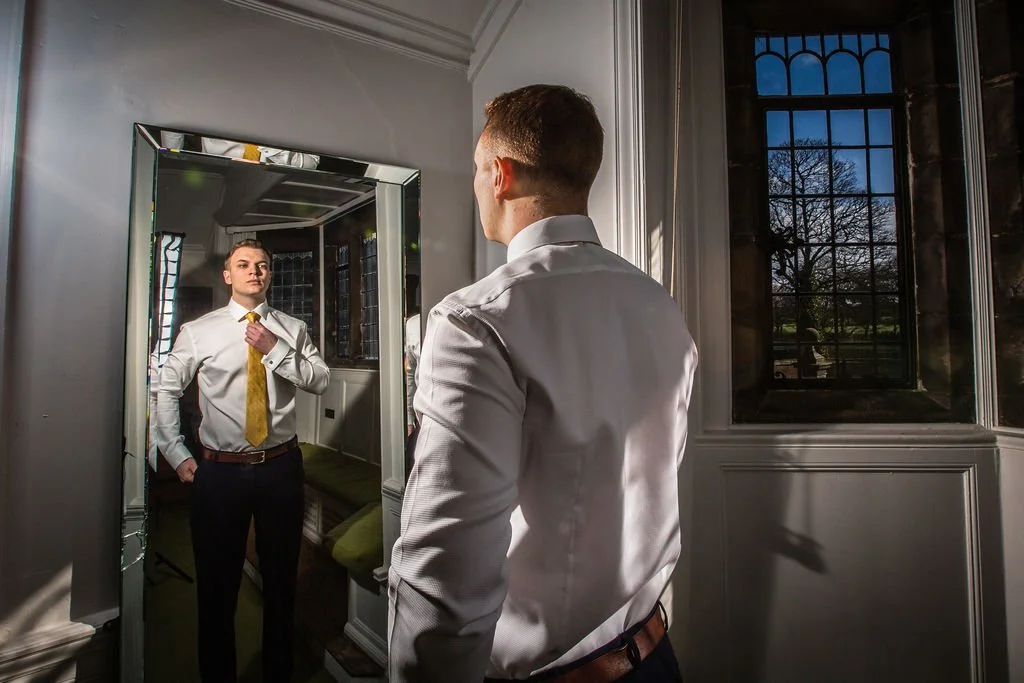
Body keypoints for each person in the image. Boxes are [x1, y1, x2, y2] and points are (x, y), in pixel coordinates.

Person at [388, 84, 698, 683]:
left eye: (477, 168)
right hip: (655, 658)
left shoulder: (479, 320)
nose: (476, 183)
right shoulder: (660, 306)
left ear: (500, 174)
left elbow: (447, 566)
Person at [155, 238, 330, 682]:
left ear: (270, 274)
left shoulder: (292, 328)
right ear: (228, 275)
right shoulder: (200, 331)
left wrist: (276, 349)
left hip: (281, 469)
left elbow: (320, 380)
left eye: (263, 265)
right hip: (220, 475)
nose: (255, 271)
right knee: (217, 590)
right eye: (244, 264)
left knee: (281, 585)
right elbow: (166, 388)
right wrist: (175, 451)